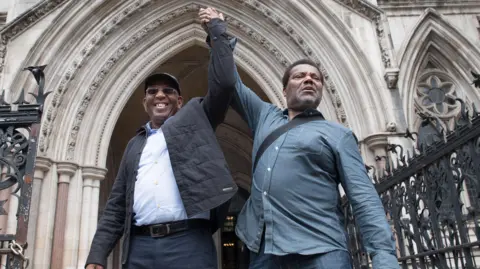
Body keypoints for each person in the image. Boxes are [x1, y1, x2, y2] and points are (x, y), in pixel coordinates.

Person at [201, 20, 400, 269]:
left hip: (321, 250)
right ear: (284, 90)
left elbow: (363, 198)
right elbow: (231, 84)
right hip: (264, 251)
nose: (309, 80)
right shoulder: (265, 116)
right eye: (300, 76)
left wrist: (384, 257)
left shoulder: (338, 135)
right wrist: (217, 34)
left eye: (315, 78)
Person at [85, 8, 238, 269]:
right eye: (152, 91)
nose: (159, 95)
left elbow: (224, 84)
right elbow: (116, 207)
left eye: (168, 91)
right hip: (140, 248)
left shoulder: (196, 118)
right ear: (144, 101)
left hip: (188, 243)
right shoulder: (135, 146)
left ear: (179, 101)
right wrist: (96, 257)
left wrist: (217, 32)